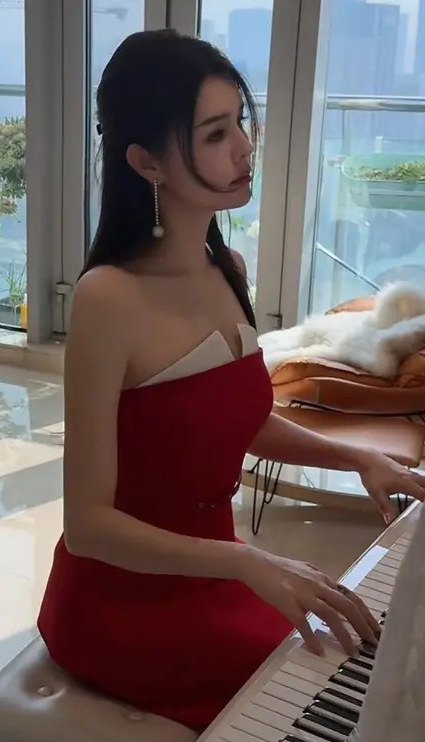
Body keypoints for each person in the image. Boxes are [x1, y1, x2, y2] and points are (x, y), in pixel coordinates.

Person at [38, 29, 425, 733]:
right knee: (347, 689)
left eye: (240, 122)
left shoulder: (228, 269)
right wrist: (248, 562)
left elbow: (232, 420)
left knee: (376, 660)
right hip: (125, 603)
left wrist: (358, 457)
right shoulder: (106, 299)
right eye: (216, 134)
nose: (246, 147)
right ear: (146, 162)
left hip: (218, 571)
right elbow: (88, 528)